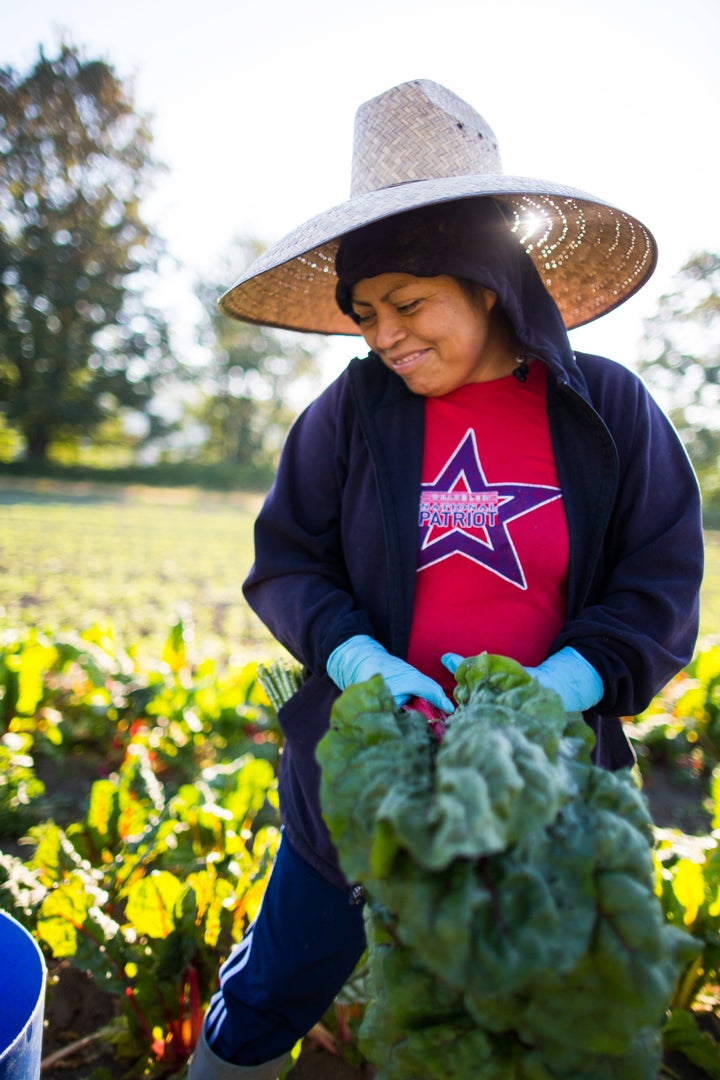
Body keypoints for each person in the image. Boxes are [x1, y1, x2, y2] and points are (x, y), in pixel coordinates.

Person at [188, 79, 704, 1079]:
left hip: (543, 781)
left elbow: (660, 582)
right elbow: (289, 559)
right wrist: (362, 659)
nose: (384, 335)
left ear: (485, 281)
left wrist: (557, 692)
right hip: (362, 776)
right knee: (283, 977)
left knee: (545, 1015)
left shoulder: (605, 407)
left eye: (408, 304)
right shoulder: (352, 414)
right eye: (366, 312)